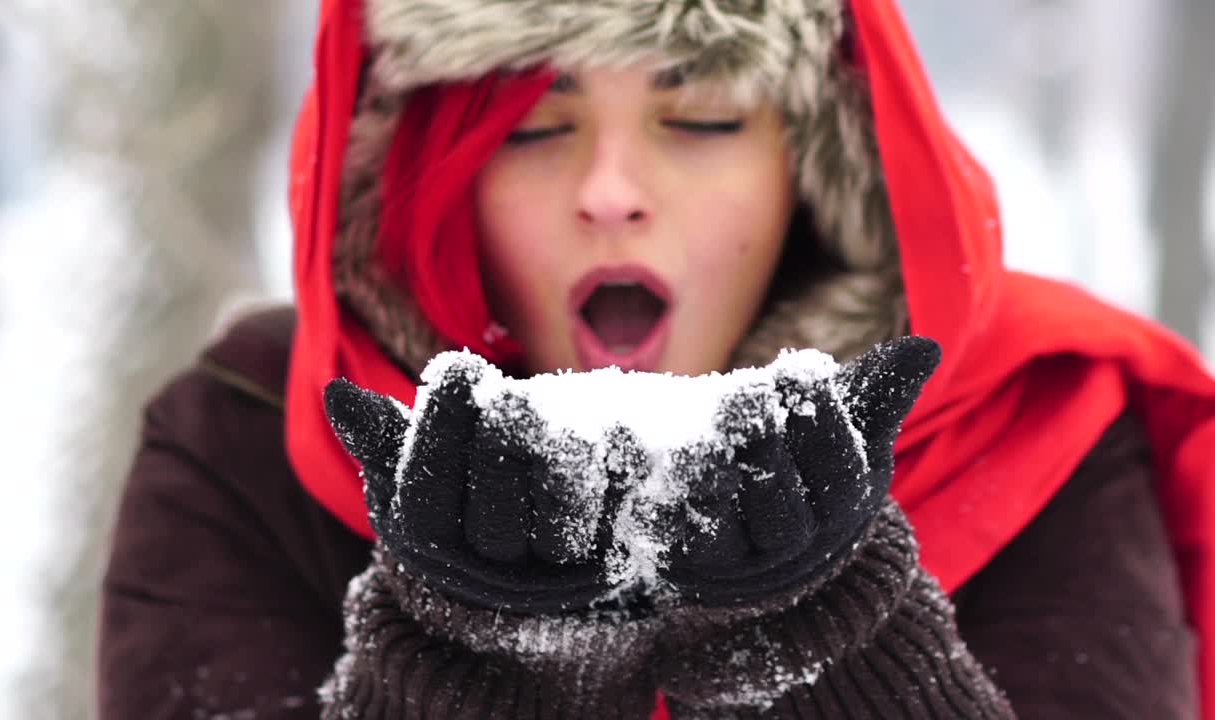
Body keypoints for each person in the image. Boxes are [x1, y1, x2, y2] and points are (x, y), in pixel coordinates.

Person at [97, 0, 1215, 717]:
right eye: (532, 127)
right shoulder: (245, 439)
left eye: (704, 118)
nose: (611, 191)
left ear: (820, 167)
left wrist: (831, 638)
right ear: (423, 169)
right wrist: (467, 665)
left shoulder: (1036, 422)